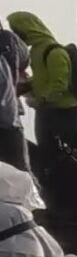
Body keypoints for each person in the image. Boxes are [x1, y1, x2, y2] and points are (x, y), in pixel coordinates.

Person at [4, 12, 77, 178]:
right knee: (47, 154)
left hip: (64, 111)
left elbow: (59, 84)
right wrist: (26, 87)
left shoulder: (53, 51)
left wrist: (41, 99)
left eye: (17, 29)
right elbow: (43, 79)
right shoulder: (35, 51)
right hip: (46, 111)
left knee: (71, 155)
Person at [0, 22, 31, 172]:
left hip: (8, 122)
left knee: (20, 173)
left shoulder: (6, 41)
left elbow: (9, 82)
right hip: (10, 120)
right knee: (20, 172)